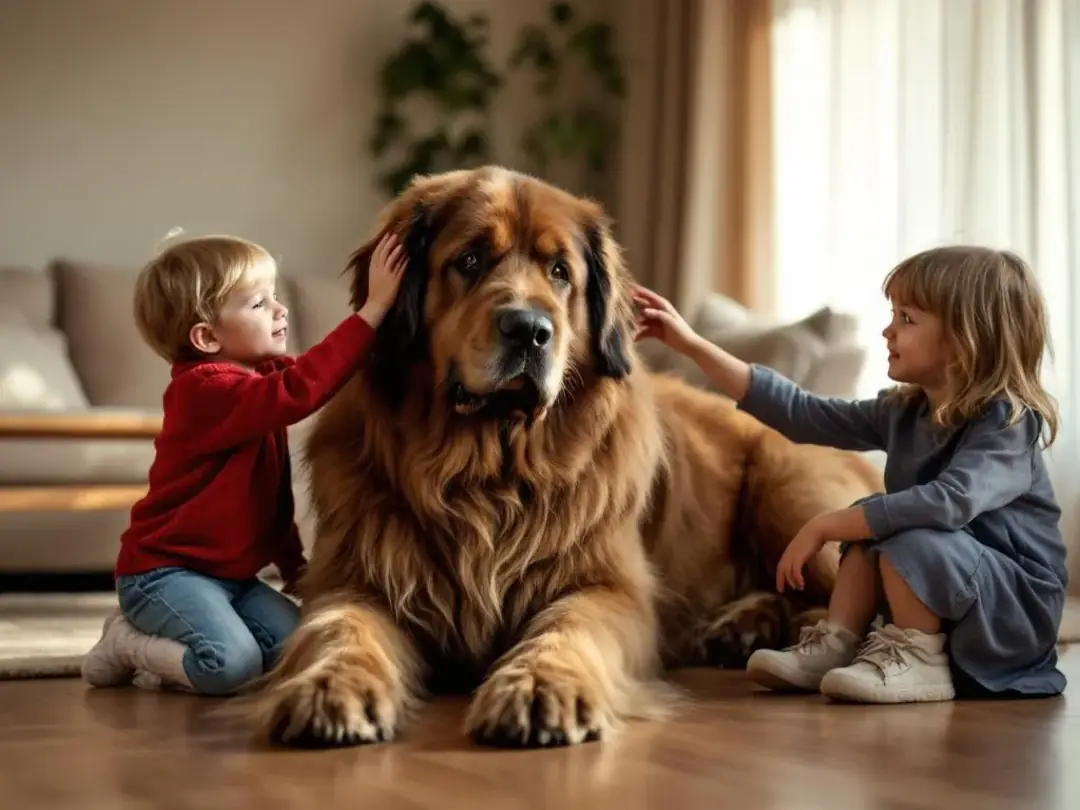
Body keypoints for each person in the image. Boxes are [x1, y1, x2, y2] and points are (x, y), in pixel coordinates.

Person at [633, 245, 1067, 704]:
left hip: (1013, 611)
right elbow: (801, 413)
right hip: (959, 590)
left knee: (897, 527)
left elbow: (949, 502)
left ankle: (918, 657)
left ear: (964, 340)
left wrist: (826, 523)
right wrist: (691, 344)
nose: (888, 330)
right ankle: (838, 641)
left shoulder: (1007, 423)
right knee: (876, 526)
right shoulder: (904, 411)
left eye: (906, 319)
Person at [81, 231, 406, 696]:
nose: (281, 310)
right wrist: (371, 313)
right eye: (259, 304)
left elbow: (269, 500)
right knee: (230, 666)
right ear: (207, 337)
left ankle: (194, 633)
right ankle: (127, 643)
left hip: (232, 580)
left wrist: (297, 569)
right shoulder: (205, 391)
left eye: (276, 298)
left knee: (304, 652)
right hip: (164, 574)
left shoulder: (258, 387)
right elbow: (304, 388)